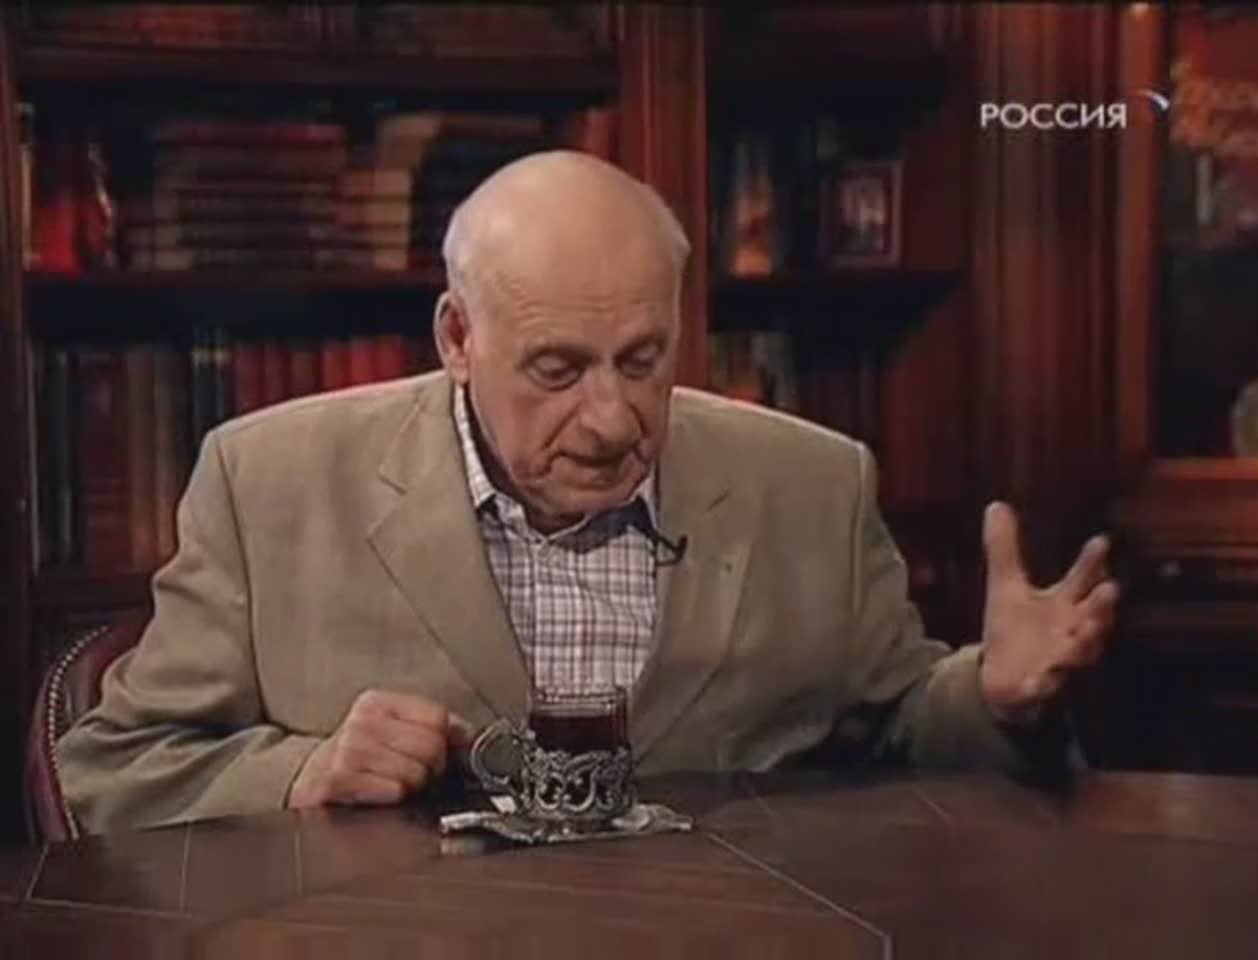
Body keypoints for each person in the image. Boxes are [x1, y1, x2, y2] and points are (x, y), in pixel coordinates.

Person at [57, 152, 1118, 834]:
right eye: (558, 369)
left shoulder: (813, 485)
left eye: (643, 360)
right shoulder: (269, 483)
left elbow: (904, 730)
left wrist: (993, 696)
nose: (612, 420)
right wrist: (302, 774)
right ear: (457, 337)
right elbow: (110, 770)